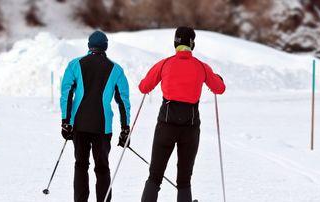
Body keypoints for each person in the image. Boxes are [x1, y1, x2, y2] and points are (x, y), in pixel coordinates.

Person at [138, 27, 226, 202]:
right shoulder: (201, 66)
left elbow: (144, 87)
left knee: (155, 175)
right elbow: (219, 88)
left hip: (166, 126)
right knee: (184, 181)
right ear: (192, 44)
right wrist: (218, 78)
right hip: (190, 128)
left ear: (175, 43)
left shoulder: (165, 63)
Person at [60, 30, 131, 202]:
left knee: (80, 165)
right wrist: (125, 128)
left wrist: (66, 121)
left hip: (79, 124)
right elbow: (123, 101)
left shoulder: (74, 65)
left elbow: (66, 94)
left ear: (89, 45)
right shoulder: (116, 69)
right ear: (105, 46)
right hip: (102, 126)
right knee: (102, 168)